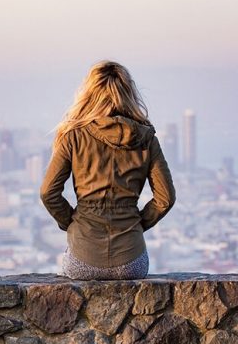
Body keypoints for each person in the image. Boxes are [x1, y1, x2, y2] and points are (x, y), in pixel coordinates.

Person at [40, 60, 176, 280]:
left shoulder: (73, 136)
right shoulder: (146, 139)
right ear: (129, 93)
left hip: (83, 258)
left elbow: (48, 192)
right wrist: (137, 224)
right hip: (132, 261)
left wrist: (73, 223)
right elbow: (166, 198)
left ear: (89, 94)